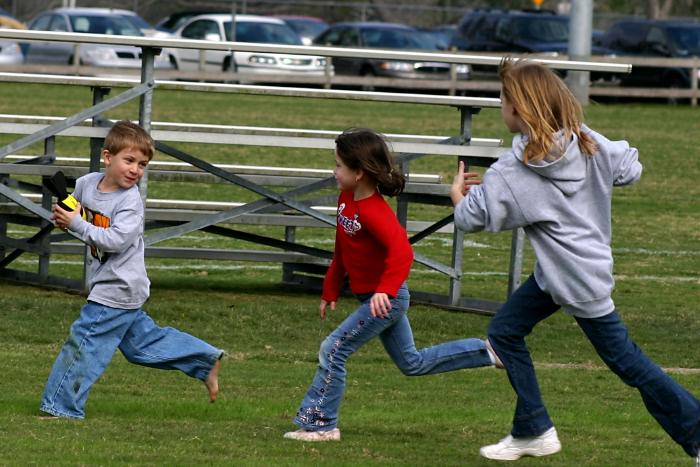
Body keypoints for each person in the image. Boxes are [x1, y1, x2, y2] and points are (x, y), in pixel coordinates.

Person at [450, 58, 700, 462]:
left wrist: (458, 193)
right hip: (562, 274)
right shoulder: (583, 140)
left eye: (502, 99)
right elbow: (629, 168)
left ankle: (697, 432)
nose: (500, 106)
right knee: (505, 331)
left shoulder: (512, 171)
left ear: (518, 107)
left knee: (628, 364)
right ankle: (532, 429)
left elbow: (469, 219)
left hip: (577, 281)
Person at [283, 128, 497, 442]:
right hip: (377, 297)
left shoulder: (376, 212)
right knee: (412, 362)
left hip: (386, 300)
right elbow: (343, 247)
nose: (334, 171)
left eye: (339, 166)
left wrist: (384, 289)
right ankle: (489, 351)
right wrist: (330, 289)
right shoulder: (346, 199)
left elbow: (402, 251)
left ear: (358, 173)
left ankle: (321, 424)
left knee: (334, 349)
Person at [40, 120, 224, 419]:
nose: (135, 169)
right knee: (142, 345)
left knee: (84, 342)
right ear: (108, 156)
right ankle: (205, 361)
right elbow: (85, 219)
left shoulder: (130, 202)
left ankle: (61, 407)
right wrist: (67, 217)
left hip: (120, 284)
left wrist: (76, 224)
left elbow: (114, 240)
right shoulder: (87, 184)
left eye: (142, 164)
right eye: (129, 160)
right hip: (112, 282)